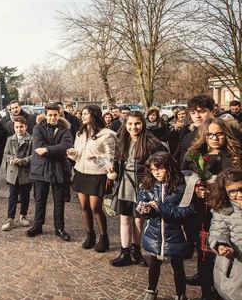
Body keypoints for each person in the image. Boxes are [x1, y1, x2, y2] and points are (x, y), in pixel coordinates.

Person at [183, 117, 242, 300]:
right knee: (205, 257)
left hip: (230, 214)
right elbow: (183, 179)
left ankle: (228, 295)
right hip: (204, 213)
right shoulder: (195, 156)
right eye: (210, 134)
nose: (215, 138)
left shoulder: (235, 156)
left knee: (230, 256)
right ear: (204, 136)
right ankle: (207, 295)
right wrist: (195, 190)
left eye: (219, 134)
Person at [138, 152, 195, 300]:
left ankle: (181, 297)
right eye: (152, 169)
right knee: (154, 263)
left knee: (178, 267)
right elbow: (140, 204)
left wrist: (161, 208)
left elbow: (188, 211)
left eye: (159, 168)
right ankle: (150, 291)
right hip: (155, 234)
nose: (155, 172)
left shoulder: (182, 186)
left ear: (169, 167)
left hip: (176, 234)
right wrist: (144, 210)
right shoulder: (147, 185)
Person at [108, 111, 167, 267]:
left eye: (137, 123)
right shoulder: (121, 140)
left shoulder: (151, 142)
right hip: (125, 184)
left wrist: (151, 181)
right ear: (125, 124)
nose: (133, 127)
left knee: (139, 221)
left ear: (143, 124)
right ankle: (124, 252)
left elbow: (161, 161)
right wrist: (112, 169)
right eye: (130, 124)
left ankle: (136, 251)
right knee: (125, 219)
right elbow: (115, 160)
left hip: (143, 186)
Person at [67, 105, 116, 252]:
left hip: (97, 173)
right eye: (82, 114)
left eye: (86, 113)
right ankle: (90, 234)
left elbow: (111, 157)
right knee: (84, 207)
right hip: (81, 172)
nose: (83, 116)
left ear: (94, 115)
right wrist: (73, 153)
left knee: (95, 207)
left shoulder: (106, 134)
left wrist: (97, 157)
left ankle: (104, 236)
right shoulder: (80, 133)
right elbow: (79, 154)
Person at [26, 103, 73, 241]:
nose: (53, 117)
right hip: (41, 169)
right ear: (45, 115)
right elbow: (38, 147)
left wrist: (47, 150)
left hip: (59, 169)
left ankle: (59, 228)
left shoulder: (65, 129)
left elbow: (66, 146)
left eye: (55, 115)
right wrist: (55, 149)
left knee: (59, 201)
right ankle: (38, 225)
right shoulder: (37, 128)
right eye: (50, 115)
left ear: (59, 115)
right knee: (40, 199)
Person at [208, 168, 242, 300]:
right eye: (233, 192)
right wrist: (221, 246)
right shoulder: (223, 211)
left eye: (241, 189)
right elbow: (217, 232)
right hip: (232, 268)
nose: (239, 195)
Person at [1, 116, 32, 231]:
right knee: (12, 195)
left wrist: (23, 161)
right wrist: (11, 159)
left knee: (25, 195)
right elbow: (6, 153)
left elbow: (34, 155)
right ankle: (10, 218)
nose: (19, 129)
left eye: (21, 127)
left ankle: (23, 215)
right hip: (13, 171)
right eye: (17, 127)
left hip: (26, 171)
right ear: (14, 127)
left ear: (26, 127)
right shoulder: (10, 139)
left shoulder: (31, 139)